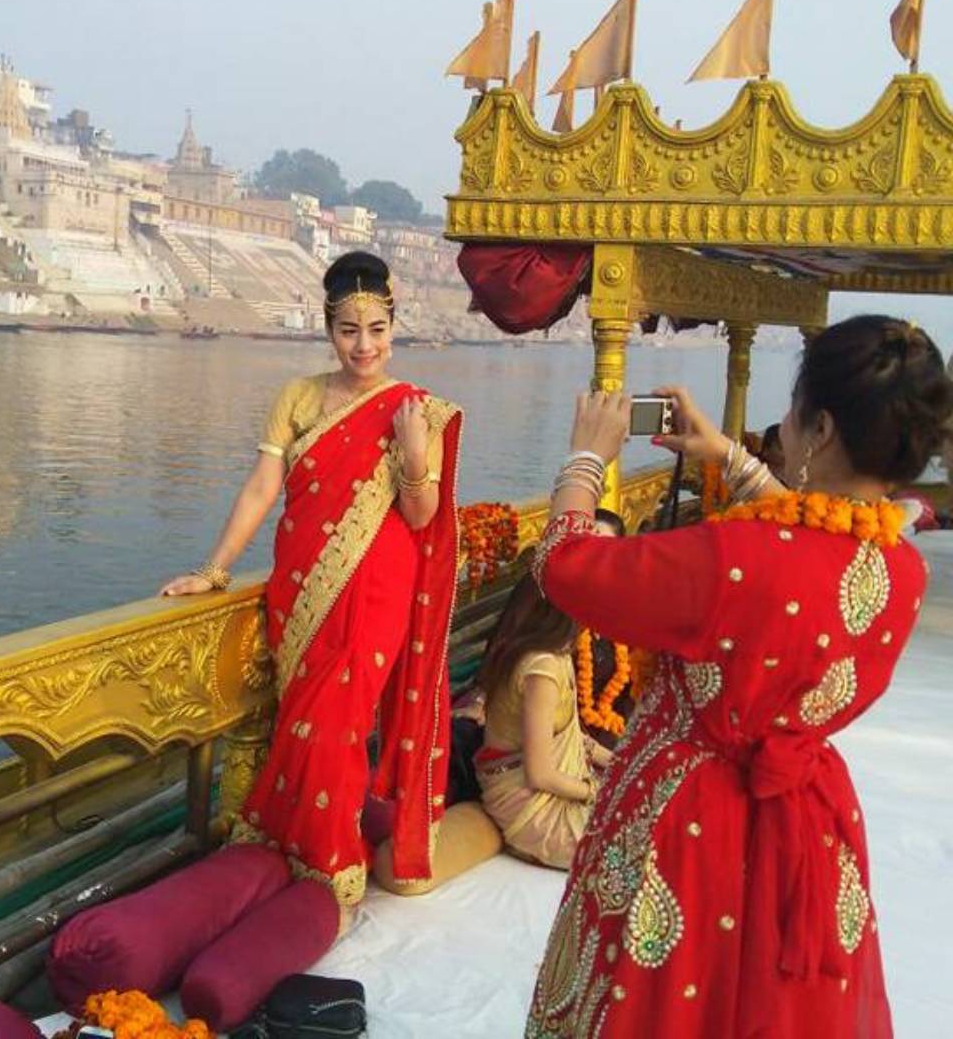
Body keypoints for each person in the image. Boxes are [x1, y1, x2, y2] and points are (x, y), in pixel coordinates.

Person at [522, 315, 950, 1037]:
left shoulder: (728, 557)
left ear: (817, 430)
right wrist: (726, 454)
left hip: (689, 817)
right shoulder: (901, 566)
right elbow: (812, 539)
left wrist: (585, 460)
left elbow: (564, 568)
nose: (780, 427)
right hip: (809, 823)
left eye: (791, 412)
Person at [158, 250, 462, 921]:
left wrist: (414, 455)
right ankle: (288, 845)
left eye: (377, 329)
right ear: (328, 329)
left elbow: (419, 515)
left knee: (337, 725)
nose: (365, 345)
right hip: (299, 586)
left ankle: (332, 861)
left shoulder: (415, 409)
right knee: (301, 713)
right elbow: (264, 486)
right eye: (350, 331)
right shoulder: (298, 397)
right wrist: (215, 568)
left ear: (393, 325)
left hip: (376, 587)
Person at [471, 568, 615, 870]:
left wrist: (621, 765)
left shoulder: (557, 654)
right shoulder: (542, 670)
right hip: (532, 808)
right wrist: (596, 792)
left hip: (555, 789)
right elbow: (540, 775)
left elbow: (573, 738)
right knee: (633, 845)